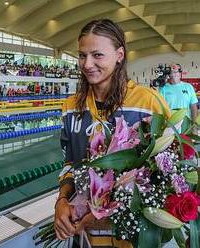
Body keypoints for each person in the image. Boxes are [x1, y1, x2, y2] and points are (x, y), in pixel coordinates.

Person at [54, 19, 171, 248]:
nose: (87, 64)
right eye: (82, 55)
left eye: (97, 55)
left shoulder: (148, 101)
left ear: (119, 55)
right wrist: (61, 201)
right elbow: (70, 164)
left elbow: (166, 172)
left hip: (131, 235)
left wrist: (110, 212)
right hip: (84, 234)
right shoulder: (71, 106)